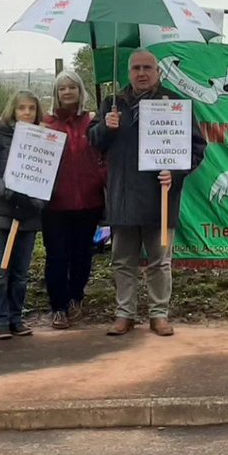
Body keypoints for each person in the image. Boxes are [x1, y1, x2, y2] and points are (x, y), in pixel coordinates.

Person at [90, 50, 206, 337]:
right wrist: (106, 127)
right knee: (122, 261)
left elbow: (196, 147)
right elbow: (93, 142)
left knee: (159, 261)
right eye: (136, 68)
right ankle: (124, 314)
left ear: (158, 72)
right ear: (128, 72)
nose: (141, 73)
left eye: (147, 68)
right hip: (123, 196)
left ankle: (159, 314)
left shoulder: (175, 104)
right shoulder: (111, 103)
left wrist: (177, 172)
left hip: (160, 196)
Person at [0, 90, 46, 340]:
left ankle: (16, 318)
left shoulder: (43, 140)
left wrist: (34, 202)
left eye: (31, 108)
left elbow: (48, 177)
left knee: (21, 274)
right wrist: (8, 192)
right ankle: (0, 321)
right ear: (12, 110)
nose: (26, 112)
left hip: (27, 216)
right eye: (21, 108)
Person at [42, 69, 107, 328]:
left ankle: (75, 298)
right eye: (62, 88)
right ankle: (57, 306)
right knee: (56, 255)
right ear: (56, 93)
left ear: (81, 91)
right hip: (55, 204)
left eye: (72, 87)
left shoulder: (92, 122)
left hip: (89, 202)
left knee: (82, 254)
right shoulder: (45, 124)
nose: (67, 92)